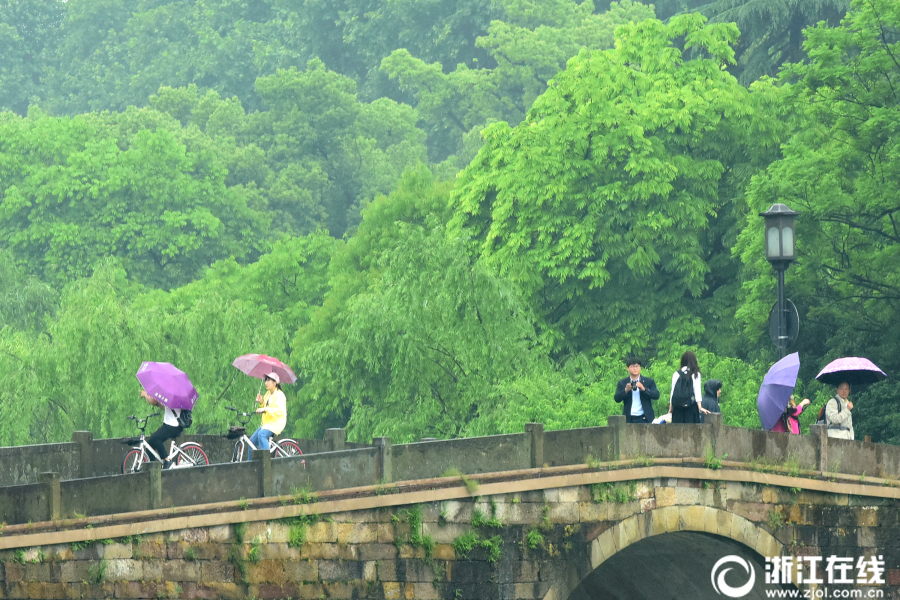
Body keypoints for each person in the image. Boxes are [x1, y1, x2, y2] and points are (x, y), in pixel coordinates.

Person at [247, 373, 287, 459]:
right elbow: (266, 407)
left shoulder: (280, 395)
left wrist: (264, 409)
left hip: (276, 423)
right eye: (266, 380)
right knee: (251, 442)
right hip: (267, 423)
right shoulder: (268, 394)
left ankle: (266, 461)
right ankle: (249, 466)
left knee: (262, 435)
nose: (266, 382)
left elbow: (278, 411)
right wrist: (261, 403)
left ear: (275, 382)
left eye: (269, 380)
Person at [140, 389, 183, 469]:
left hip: (172, 425)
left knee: (155, 438)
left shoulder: (172, 393)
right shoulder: (175, 393)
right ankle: (152, 466)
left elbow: (153, 401)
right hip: (170, 424)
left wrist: (145, 395)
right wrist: (158, 404)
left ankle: (167, 461)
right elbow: (164, 406)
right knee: (150, 444)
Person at [614, 357, 661, 423]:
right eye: (633, 366)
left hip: (645, 417)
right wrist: (626, 390)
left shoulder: (649, 381)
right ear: (627, 368)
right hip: (629, 418)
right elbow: (617, 398)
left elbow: (656, 395)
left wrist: (644, 389)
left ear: (640, 368)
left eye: (637, 366)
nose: (635, 368)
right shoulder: (622, 382)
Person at [668, 351, 710, 424]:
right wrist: (700, 407)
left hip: (678, 408)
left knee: (677, 432)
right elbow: (697, 391)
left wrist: (670, 408)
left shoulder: (676, 374)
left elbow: (673, 392)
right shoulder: (695, 374)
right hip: (691, 408)